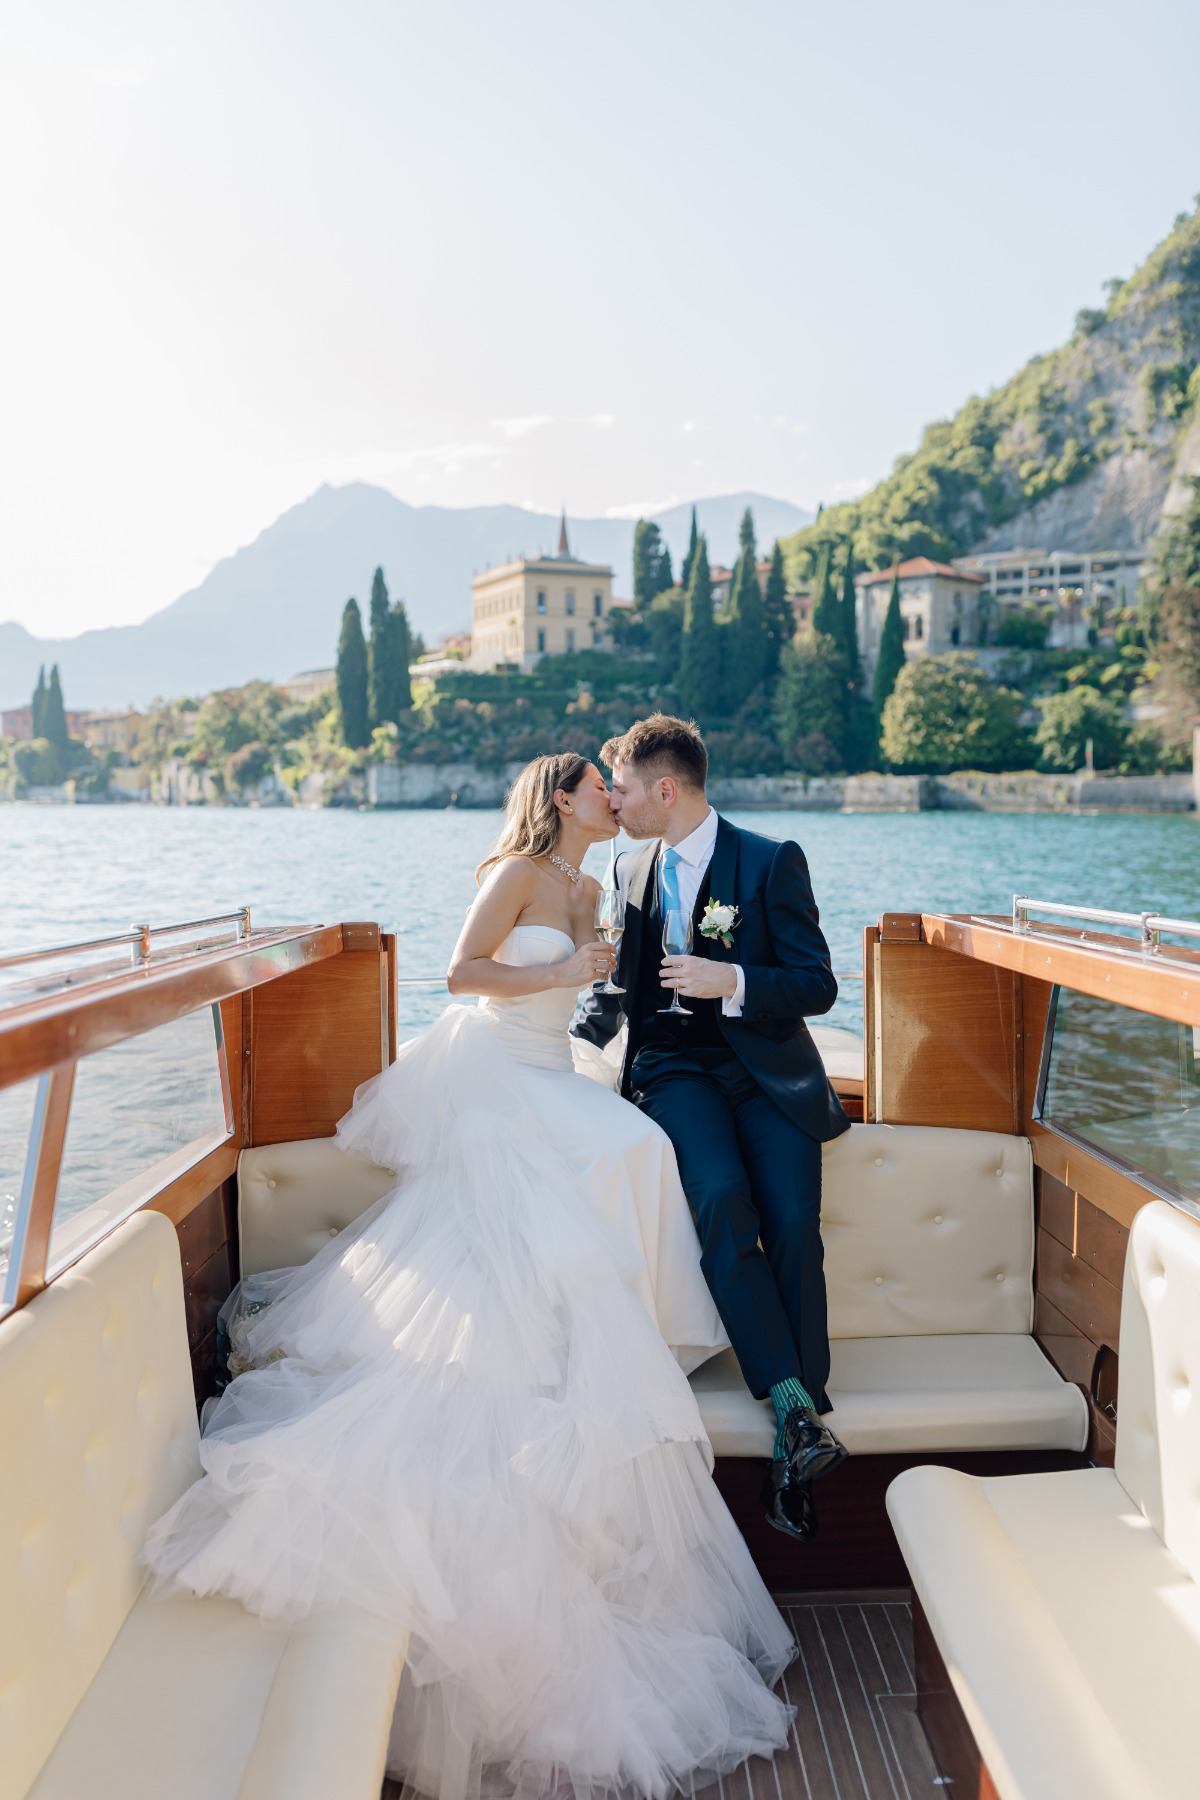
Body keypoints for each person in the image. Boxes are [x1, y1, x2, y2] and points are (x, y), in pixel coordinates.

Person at [140, 750, 796, 1800]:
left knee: (639, 1147)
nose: (613, 795)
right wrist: (552, 973)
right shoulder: (522, 874)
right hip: (500, 1077)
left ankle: (618, 1339)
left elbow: (609, 997)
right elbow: (459, 973)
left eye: (620, 783)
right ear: (562, 800)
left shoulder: (600, 886)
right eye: (599, 784)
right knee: (609, 1168)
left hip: (556, 1069)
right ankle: (562, 1349)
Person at [574, 714, 851, 1544]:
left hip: (764, 1070)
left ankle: (797, 1427)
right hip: (674, 1071)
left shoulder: (770, 861)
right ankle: (798, 1412)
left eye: (622, 787)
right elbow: (620, 988)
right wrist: (568, 1019)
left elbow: (817, 985)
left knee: (794, 1220)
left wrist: (727, 977)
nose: (613, 802)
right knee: (723, 1199)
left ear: (666, 790)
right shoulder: (628, 865)